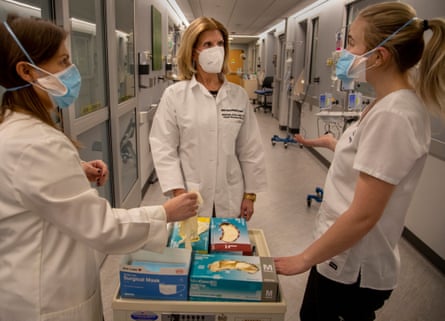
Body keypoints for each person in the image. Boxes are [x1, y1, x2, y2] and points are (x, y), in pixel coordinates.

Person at [0, 14, 199, 321]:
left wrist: (71, 168)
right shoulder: (37, 144)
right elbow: (103, 228)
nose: (72, 71)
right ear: (27, 71)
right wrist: (165, 213)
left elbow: (22, 181)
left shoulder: (13, 128)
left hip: (22, 279)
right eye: (63, 61)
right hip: (46, 298)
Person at [274, 2, 445, 321]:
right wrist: (334, 144)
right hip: (340, 255)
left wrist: (304, 259)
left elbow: (365, 214)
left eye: (351, 42)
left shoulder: (394, 115)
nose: (342, 51)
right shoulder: (385, 105)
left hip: (352, 267)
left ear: (379, 56)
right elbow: (372, 165)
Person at [149, 17, 267, 220]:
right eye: (208, 44)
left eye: (220, 44)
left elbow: (250, 147)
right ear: (193, 52)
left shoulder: (238, 96)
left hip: (231, 193)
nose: (216, 50)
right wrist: (178, 192)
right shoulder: (175, 95)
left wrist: (250, 194)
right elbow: (164, 147)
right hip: (189, 194)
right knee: (191, 249)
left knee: (227, 245)